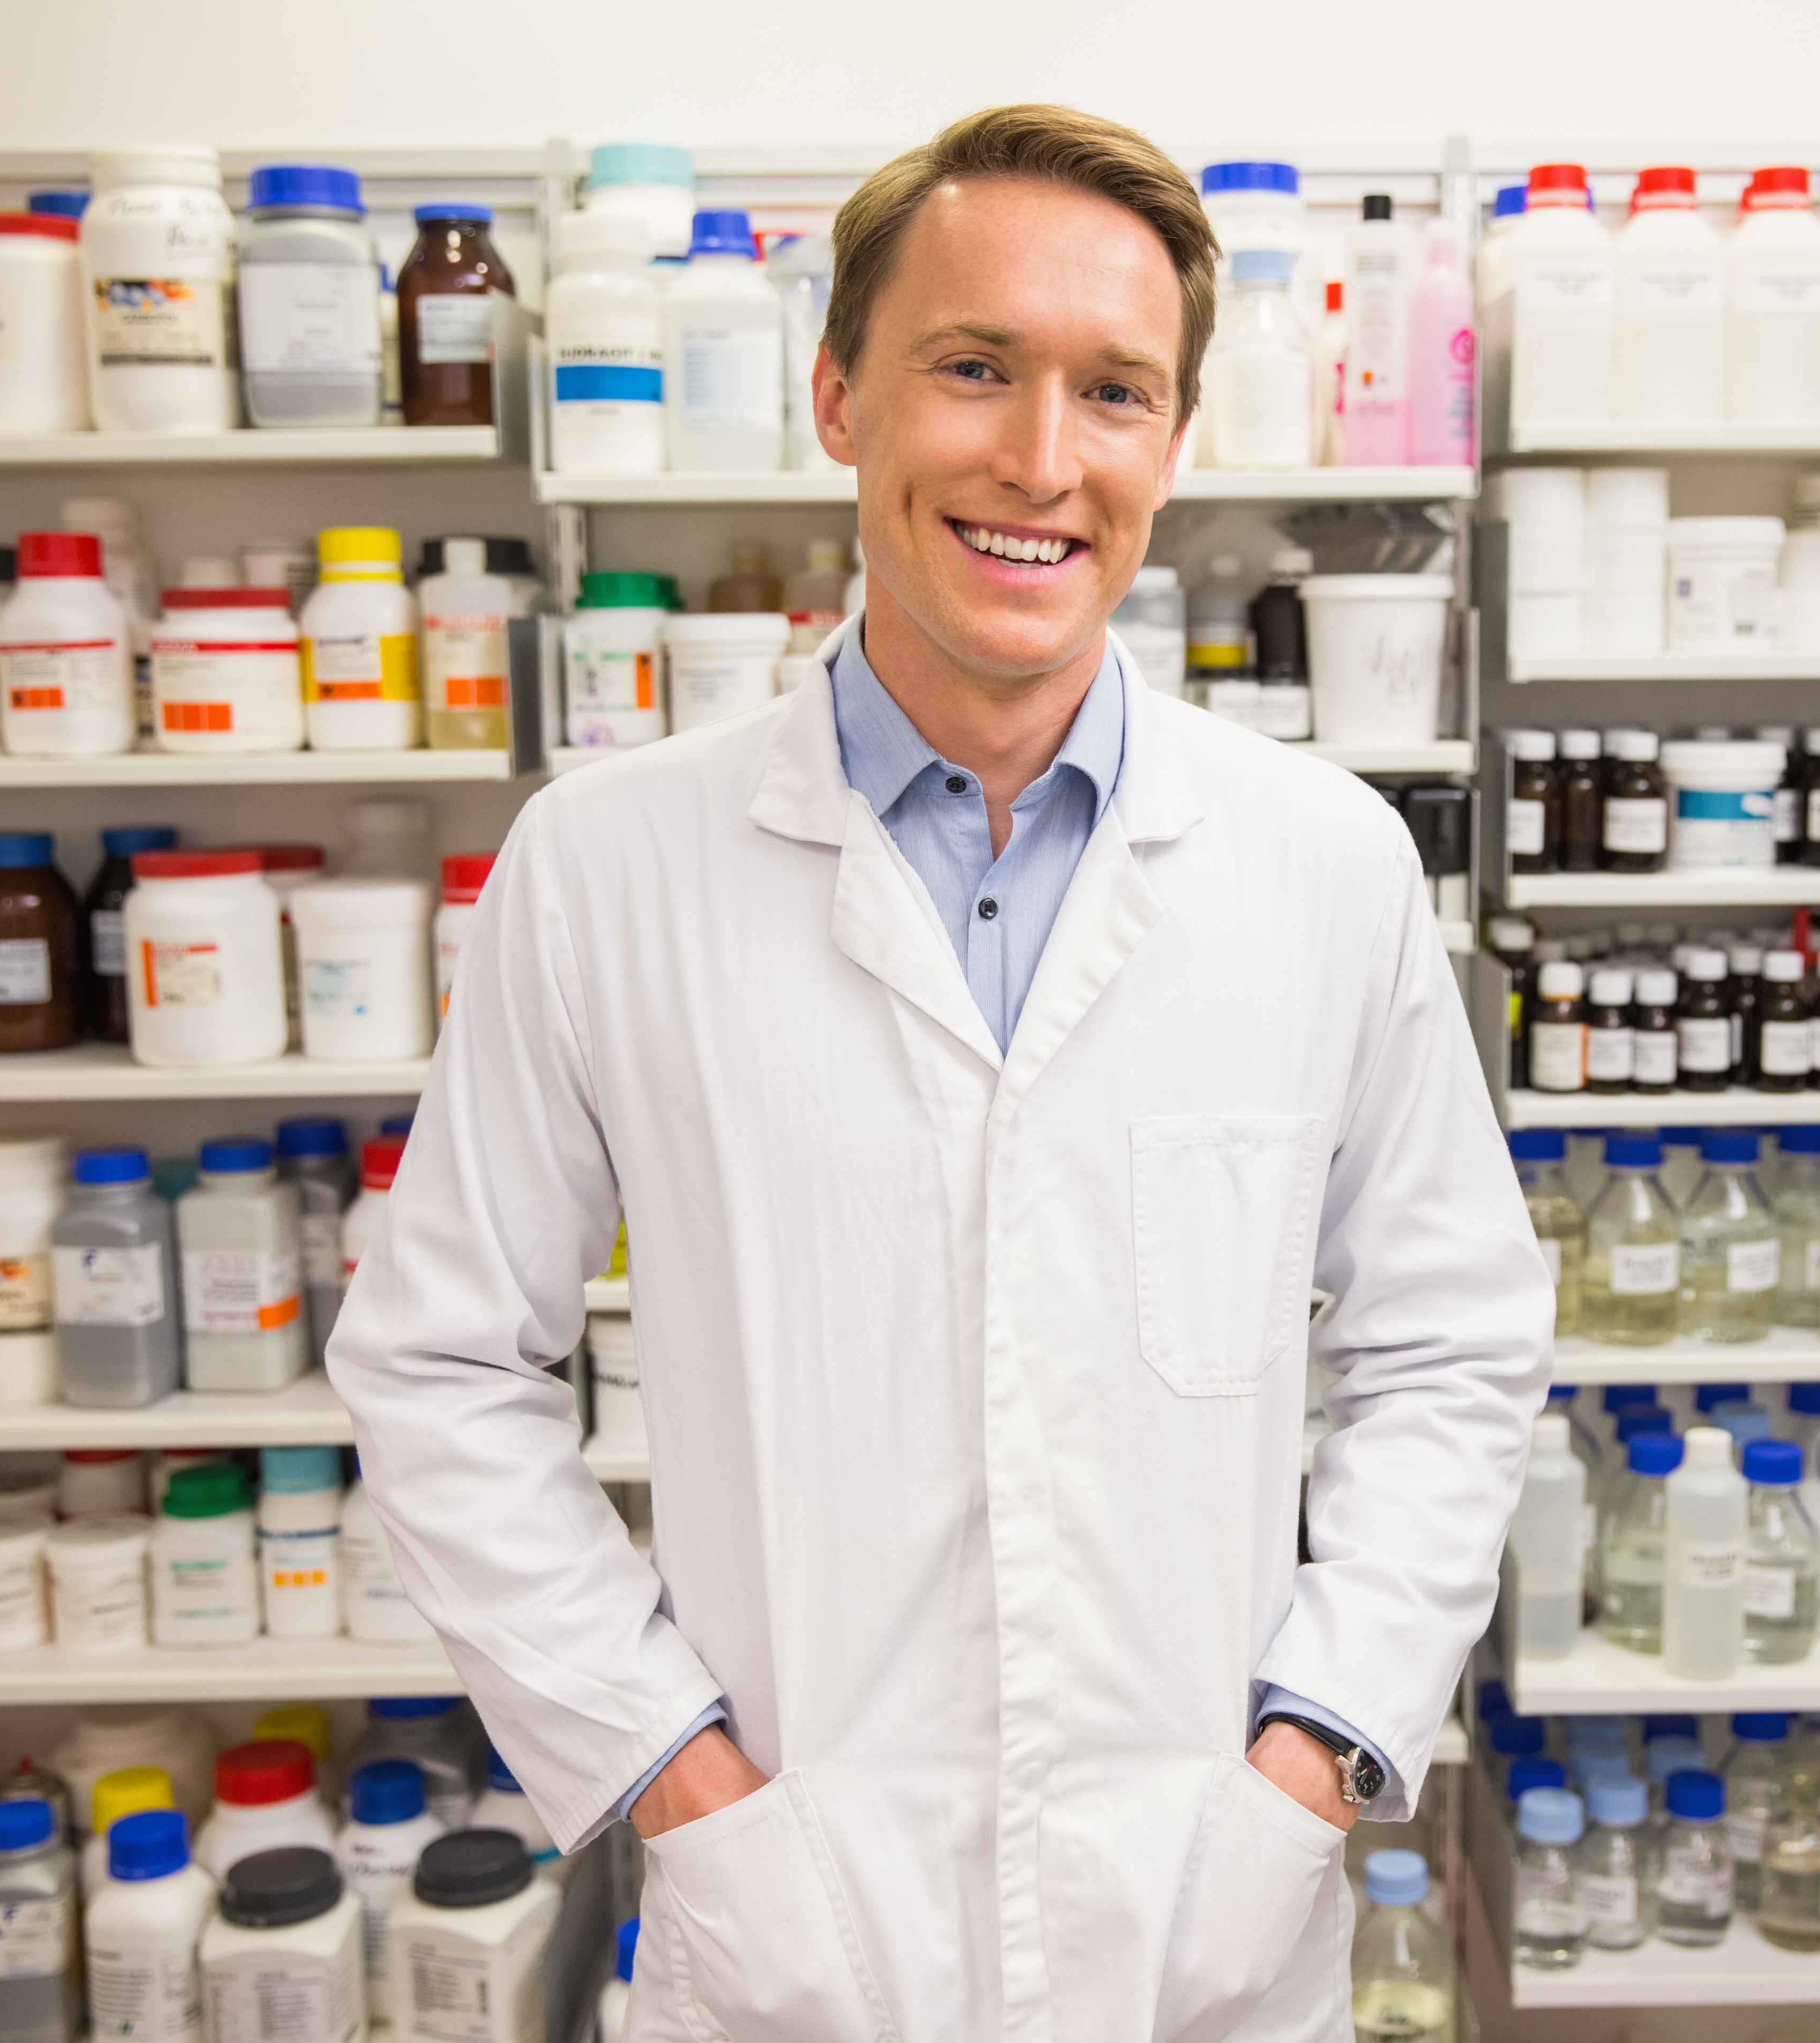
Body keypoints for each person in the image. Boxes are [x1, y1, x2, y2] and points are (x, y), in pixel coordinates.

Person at [330, 103, 1550, 2042]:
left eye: (1117, 392)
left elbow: (1454, 1342)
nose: (1043, 463)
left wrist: (1311, 1758)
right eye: (974, 368)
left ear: (1173, 439)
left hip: (1203, 1943)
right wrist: (674, 1776)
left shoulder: (1325, 864)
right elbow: (437, 1360)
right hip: (795, 1935)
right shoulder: (608, 864)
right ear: (839, 395)